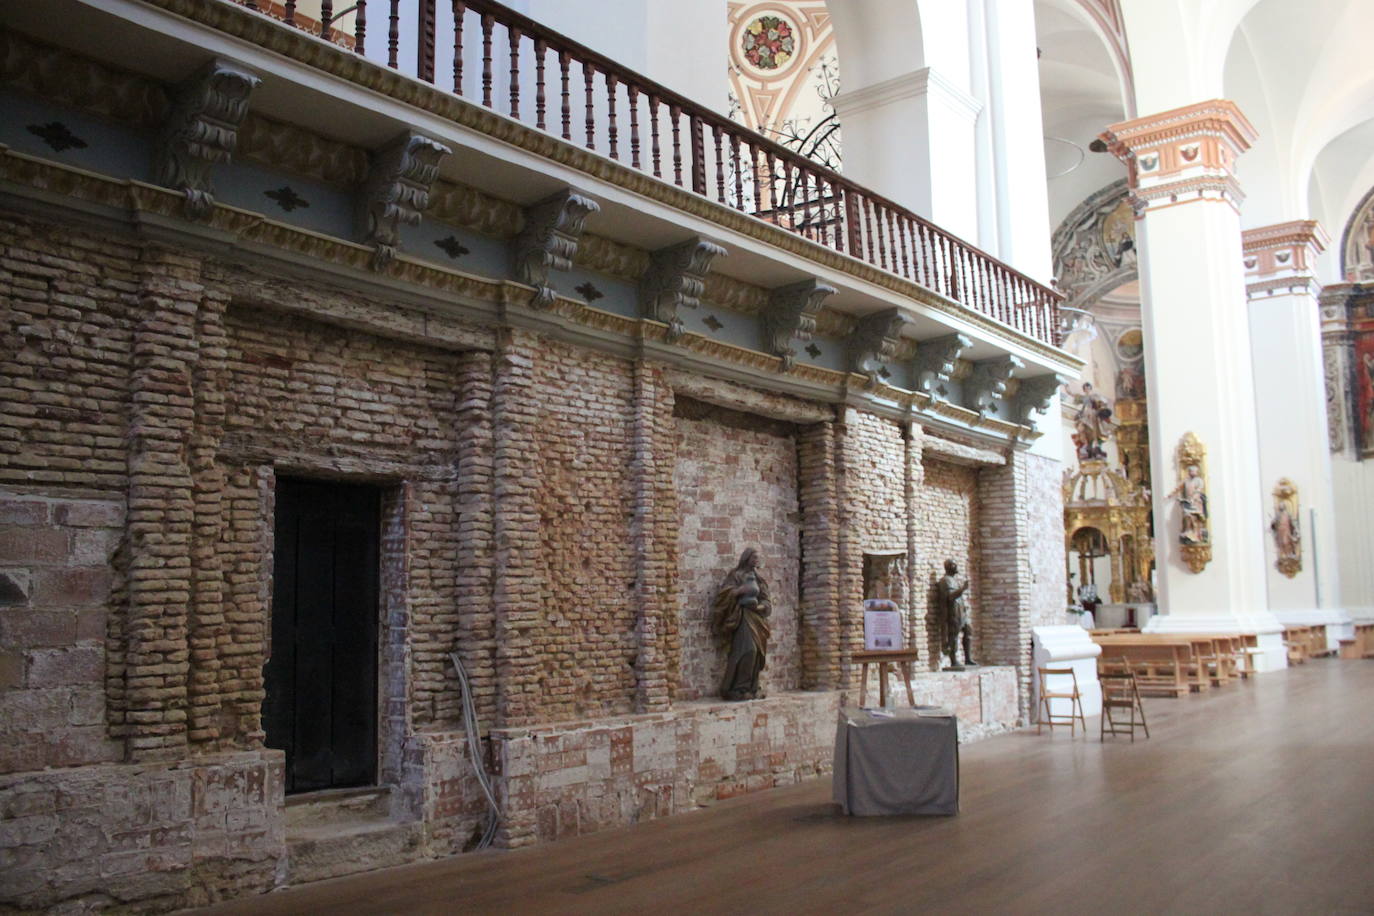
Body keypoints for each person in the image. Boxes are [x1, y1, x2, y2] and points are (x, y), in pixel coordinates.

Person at [712, 548, 772, 701]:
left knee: (757, 653)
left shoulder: (759, 580)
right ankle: (738, 687)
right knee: (747, 651)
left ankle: (752, 687)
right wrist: (739, 591)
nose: (757, 560)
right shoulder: (736, 575)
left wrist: (759, 607)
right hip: (742, 617)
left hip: (756, 619)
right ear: (747, 558)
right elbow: (723, 595)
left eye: (758, 558)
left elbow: (767, 602)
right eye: (754, 557)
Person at [937, 559, 975, 669]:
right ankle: (953, 660)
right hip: (953, 612)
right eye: (954, 565)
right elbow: (950, 596)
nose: (956, 566)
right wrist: (962, 589)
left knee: (968, 631)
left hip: (960, 611)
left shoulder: (953, 580)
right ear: (948, 567)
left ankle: (968, 658)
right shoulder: (946, 580)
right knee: (953, 636)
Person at [1073, 382, 1114, 459]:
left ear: (1090, 389)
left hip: (1093, 414)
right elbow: (1074, 398)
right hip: (1085, 413)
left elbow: (1103, 403)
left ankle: (1095, 443)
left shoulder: (1095, 396)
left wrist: (1099, 404)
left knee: (1095, 428)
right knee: (1081, 427)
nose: (1087, 389)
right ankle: (1086, 443)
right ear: (1084, 389)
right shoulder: (1083, 397)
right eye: (1085, 388)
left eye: (1088, 388)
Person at [1171, 465, 1208, 544]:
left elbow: (1198, 490)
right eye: (1190, 471)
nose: (1192, 473)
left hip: (1196, 502)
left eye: (1193, 471)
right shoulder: (1186, 480)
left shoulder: (1199, 480)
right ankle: (1188, 531)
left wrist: (1194, 498)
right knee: (1187, 515)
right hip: (1188, 501)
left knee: (1195, 517)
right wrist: (1170, 495)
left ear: (1196, 472)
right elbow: (1178, 488)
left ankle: (1197, 534)